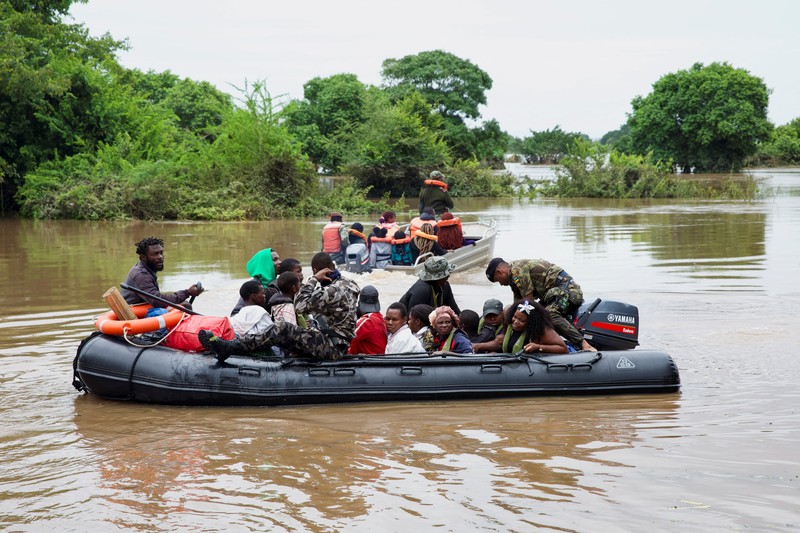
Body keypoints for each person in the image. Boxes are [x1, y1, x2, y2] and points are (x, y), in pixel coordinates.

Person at [200, 252, 360, 362]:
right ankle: (234, 346)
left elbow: (300, 305)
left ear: (317, 271)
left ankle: (230, 347)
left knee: (282, 328)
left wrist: (313, 280)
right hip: (337, 343)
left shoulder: (331, 291)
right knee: (289, 330)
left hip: (332, 348)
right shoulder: (349, 284)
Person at [486, 257, 595, 351]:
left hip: (567, 290)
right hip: (551, 295)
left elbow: (528, 302)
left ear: (500, 272)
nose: (500, 284)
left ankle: (584, 344)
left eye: (498, 280)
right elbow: (518, 306)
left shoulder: (517, 271)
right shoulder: (513, 278)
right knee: (519, 313)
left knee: (549, 314)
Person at [122, 237, 202, 307]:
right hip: (135, 314)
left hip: (143, 307)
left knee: (184, 304)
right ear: (143, 257)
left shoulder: (145, 268)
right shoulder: (141, 275)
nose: (160, 257)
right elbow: (158, 301)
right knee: (186, 305)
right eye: (155, 254)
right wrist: (187, 293)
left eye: (161, 253)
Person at [231, 253, 301, 316]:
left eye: (279, 259)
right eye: (275, 260)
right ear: (264, 263)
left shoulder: (278, 283)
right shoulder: (253, 286)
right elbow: (235, 314)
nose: (280, 262)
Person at [500, 300, 569, 354]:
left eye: (522, 320)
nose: (516, 322)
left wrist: (538, 347)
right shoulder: (509, 324)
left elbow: (564, 349)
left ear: (530, 322)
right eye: (515, 317)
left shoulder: (541, 330)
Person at [348, 285, 388, 355]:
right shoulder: (380, 317)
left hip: (370, 361)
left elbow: (348, 337)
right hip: (378, 358)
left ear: (359, 304)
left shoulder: (368, 321)